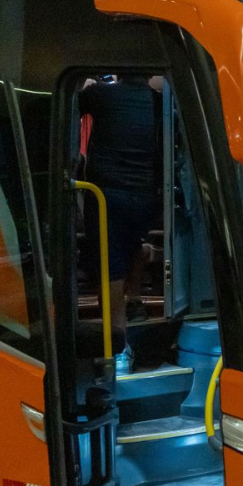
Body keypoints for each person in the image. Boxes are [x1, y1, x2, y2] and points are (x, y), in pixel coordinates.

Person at [80, 75, 162, 374]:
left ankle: (118, 345)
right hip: (146, 196)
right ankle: (135, 300)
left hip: (106, 194)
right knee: (133, 247)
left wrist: (87, 85)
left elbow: (68, 105)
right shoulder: (158, 102)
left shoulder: (102, 94)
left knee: (110, 266)